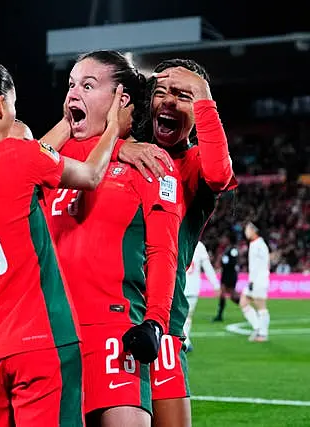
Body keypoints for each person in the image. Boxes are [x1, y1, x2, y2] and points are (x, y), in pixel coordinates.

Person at [0, 52, 126, 427]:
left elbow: (21, 165)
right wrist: (114, 127)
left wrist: (65, 123)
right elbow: (91, 175)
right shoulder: (18, 156)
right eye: (13, 105)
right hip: (41, 341)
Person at [44, 50, 183, 427]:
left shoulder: (151, 164)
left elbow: (162, 250)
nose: (74, 94)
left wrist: (155, 321)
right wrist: (115, 141)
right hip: (51, 338)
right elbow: (22, 161)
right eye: (71, 85)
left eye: (88, 86)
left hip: (116, 333)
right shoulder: (53, 161)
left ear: (122, 100)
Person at [129, 59, 236, 427]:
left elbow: (220, 174)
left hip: (165, 325)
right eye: (160, 93)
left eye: (183, 95)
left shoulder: (192, 166)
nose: (169, 101)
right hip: (105, 318)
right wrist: (121, 149)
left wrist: (204, 94)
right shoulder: (125, 154)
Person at [183, 241, 219, 351]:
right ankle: (186, 341)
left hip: (179, 285)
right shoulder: (199, 245)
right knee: (188, 316)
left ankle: (185, 341)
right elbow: (207, 267)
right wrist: (216, 284)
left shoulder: (177, 239)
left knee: (178, 316)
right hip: (193, 288)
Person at [240, 222, 270, 342]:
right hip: (254, 280)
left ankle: (263, 334)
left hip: (259, 281)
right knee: (243, 302)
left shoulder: (260, 245)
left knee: (261, 307)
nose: (245, 232)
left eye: (247, 229)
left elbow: (262, 265)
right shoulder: (254, 244)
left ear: (253, 230)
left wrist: (254, 280)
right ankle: (257, 327)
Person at [213, 232, 240, 322]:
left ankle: (245, 306)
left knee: (231, 295)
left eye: (225, 238)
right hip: (226, 274)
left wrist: (223, 262)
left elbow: (233, 262)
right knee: (225, 294)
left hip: (230, 274)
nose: (223, 240)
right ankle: (219, 315)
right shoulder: (227, 249)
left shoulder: (233, 250)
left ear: (229, 239)